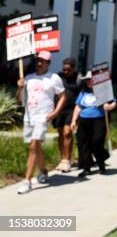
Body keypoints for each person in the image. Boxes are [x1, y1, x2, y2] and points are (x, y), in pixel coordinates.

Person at [15, 51, 66, 194]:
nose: (39, 63)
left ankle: (27, 181)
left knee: (33, 146)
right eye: (38, 60)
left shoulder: (54, 78)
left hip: (43, 117)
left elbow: (63, 96)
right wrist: (20, 87)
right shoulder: (28, 78)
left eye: (42, 61)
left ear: (48, 63)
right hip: (29, 117)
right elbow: (19, 100)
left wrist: (55, 112)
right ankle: (43, 171)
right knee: (35, 148)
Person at [70, 71, 116, 177]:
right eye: (87, 80)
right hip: (84, 120)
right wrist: (73, 121)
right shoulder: (83, 93)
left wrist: (108, 107)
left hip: (98, 120)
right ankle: (87, 168)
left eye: (91, 80)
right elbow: (78, 107)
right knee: (83, 143)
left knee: (97, 142)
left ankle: (101, 163)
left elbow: (113, 103)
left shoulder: (104, 92)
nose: (89, 82)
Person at [53, 57, 82, 173]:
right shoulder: (59, 77)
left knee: (67, 133)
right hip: (59, 109)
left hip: (72, 109)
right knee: (60, 134)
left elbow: (82, 93)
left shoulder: (79, 79)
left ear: (73, 68)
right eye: (64, 69)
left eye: (68, 70)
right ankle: (62, 158)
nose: (66, 72)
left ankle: (67, 160)